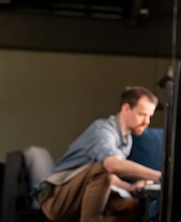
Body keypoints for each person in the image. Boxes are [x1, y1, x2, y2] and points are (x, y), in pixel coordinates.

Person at [36, 86, 162, 222]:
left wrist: (131, 188)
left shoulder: (127, 139)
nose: (147, 122)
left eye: (149, 116)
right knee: (105, 166)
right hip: (56, 198)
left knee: (131, 207)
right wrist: (160, 176)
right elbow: (110, 167)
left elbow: (104, 179)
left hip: (82, 194)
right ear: (126, 108)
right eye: (142, 114)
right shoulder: (102, 130)